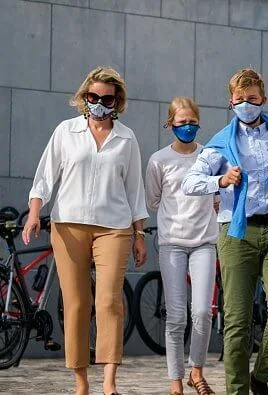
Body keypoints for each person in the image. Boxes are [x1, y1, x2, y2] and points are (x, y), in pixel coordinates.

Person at [23, 66, 148, 395]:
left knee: (108, 302)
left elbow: (135, 191)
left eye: (106, 98)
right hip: (68, 226)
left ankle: (109, 382)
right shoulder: (66, 131)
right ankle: (81, 383)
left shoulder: (127, 138)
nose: (99, 103)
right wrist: (35, 213)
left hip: (115, 228)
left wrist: (139, 235)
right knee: (77, 304)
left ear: (117, 102)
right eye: (93, 97)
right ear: (84, 98)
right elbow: (44, 178)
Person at [181, 69, 268, 395]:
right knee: (237, 322)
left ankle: (261, 375)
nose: (246, 105)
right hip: (236, 232)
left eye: (252, 99)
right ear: (231, 103)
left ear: (263, 100)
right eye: (240, 100)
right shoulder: (221, 142)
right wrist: (219, 181)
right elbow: (190, 182)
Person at [146, 97, 218, 395]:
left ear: (198, 122)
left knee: (202, 312)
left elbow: (219, 195)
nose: (187, 127)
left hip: (204, 243)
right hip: (172, 244)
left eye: (192, 122)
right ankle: (176, 383)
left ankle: (196, 372)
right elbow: (152, 200)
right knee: (175, 316)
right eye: (181, 122)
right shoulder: (158, 160)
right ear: (170, 124)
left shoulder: (211, 156)